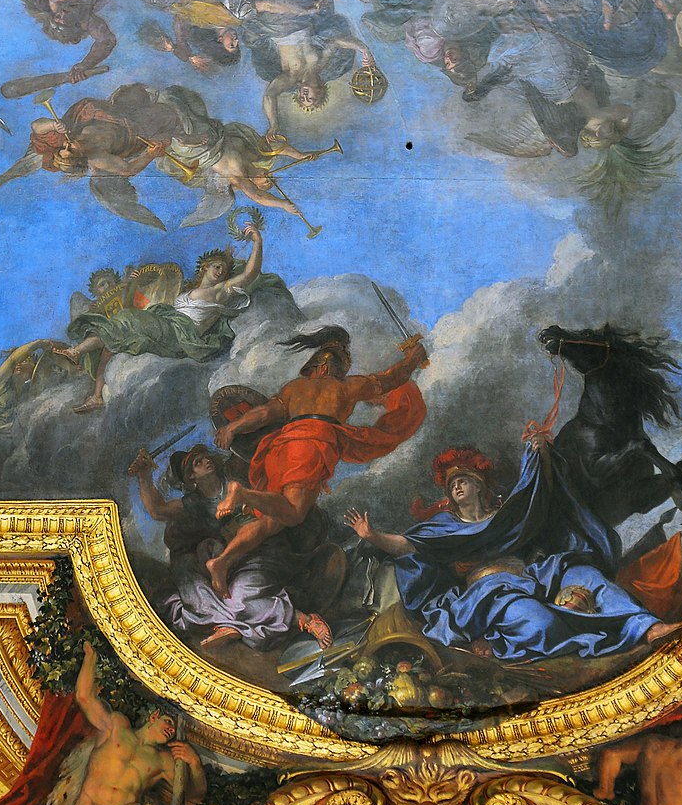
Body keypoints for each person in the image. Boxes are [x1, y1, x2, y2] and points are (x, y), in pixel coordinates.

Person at [344, 440, 682, 661]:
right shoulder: (444, 527)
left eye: (462, 480)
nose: (457, 486)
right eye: (452, 485)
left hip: (533, 576)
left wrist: (541, 454)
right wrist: (371, 534)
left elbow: (540, 495)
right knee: (541, 624)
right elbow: (408, 546)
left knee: (586, 575)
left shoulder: (509, 514)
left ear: (479, 485)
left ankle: (646, 627)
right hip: (491, 592)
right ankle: (503, 642)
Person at [208, 325, 428, 598]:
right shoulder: (347, 387)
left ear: (316, 366)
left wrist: (233, 428)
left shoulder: (292, 389)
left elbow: (263, 413)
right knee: (294, 512)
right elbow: (394, 377)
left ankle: (221, 562)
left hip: (281, 448)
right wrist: (414, 357)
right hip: (312, 444)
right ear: (328, 368)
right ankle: (240, 493)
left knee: (272, 522)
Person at [129, 444, 334, 651]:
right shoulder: (195, 503)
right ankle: (227, 625)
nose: (206, 461)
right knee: (201, 571)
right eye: (197, 463)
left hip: (264, 551)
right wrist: (144, 476)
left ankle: (305, 620)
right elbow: (158, 511)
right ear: (191, 477)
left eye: (205, 457)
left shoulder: (239, 479)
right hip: (232, 562)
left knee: (243, 596)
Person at [61, 221, 271, 413]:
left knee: (126, 318)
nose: (220, 272)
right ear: (205, 266)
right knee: (112, 342)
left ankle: (76, 351)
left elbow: (249, 274)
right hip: (167, 329)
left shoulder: (220, 291)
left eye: (224, 270)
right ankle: (96, 395)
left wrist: (257, 242)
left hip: (180, 334)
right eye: (217, 266)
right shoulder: (186, 291)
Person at [69, 641, 204, 805]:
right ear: (155, 715)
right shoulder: (118, 726)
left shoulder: (164, 760)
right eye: (168, 722)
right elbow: (85, 697)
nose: (170, 730)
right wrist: (90, 657)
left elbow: (195, 794)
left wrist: (194, 762)